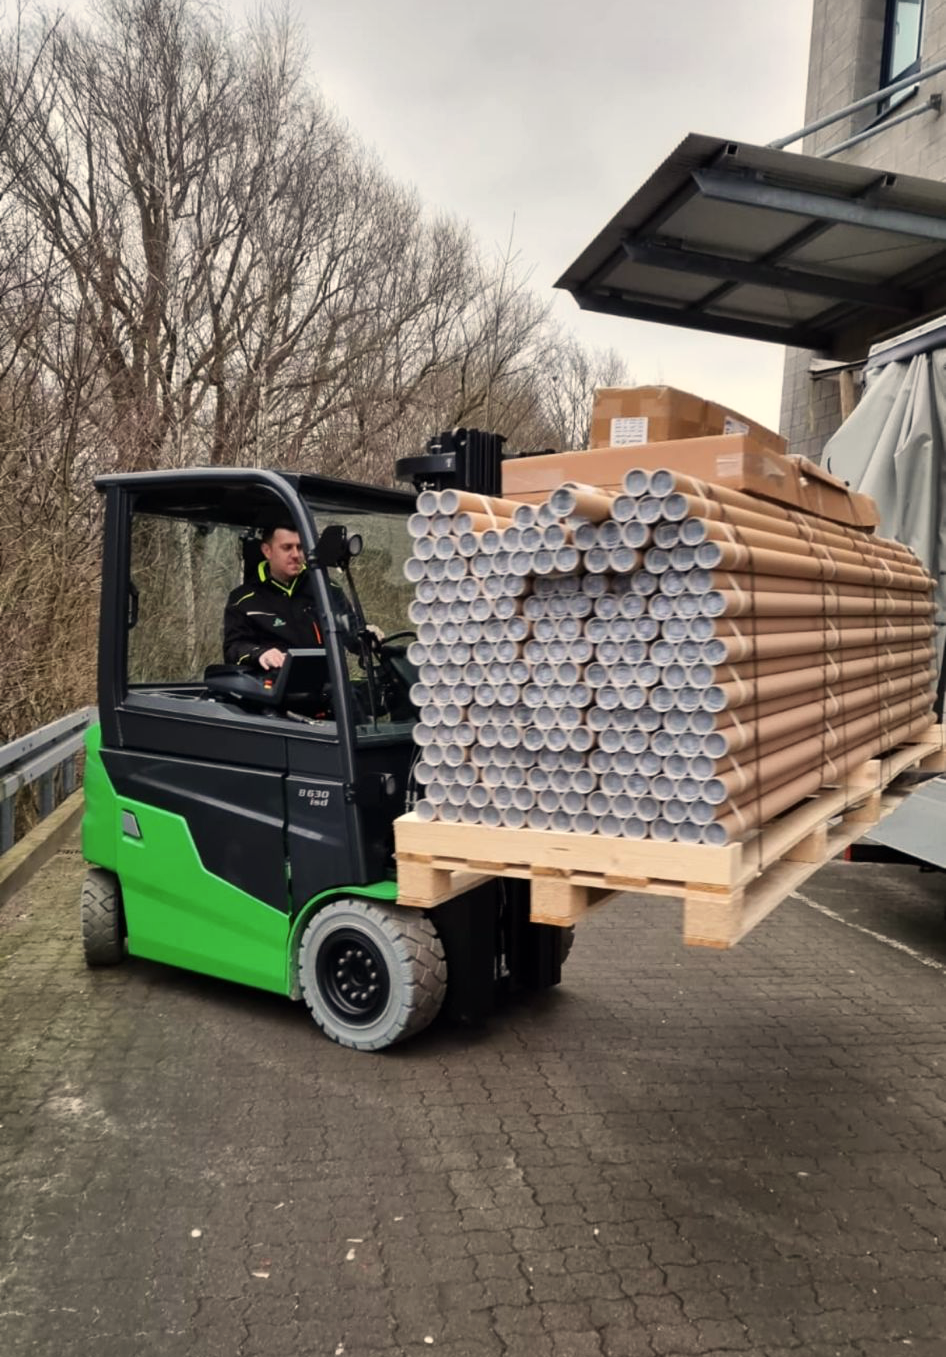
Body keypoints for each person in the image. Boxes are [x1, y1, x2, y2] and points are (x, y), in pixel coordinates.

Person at [223, 522, 379, 670]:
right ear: (267, 551)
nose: (296, 554)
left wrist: (369, 637)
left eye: (300, 547)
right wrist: (260, 654)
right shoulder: (244, 598)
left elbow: (351, 632)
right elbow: (233, 648)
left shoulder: (325, 589)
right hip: (273, 683)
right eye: (287, 548)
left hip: (329, 683)